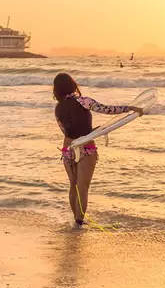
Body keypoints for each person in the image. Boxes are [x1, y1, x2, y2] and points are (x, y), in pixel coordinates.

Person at [53, 73, 142, 227]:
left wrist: (93, 130)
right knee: (83, 186)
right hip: (86, 147)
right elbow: (107, 109)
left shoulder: (58, 109)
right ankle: (79, 222)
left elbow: (67, 131)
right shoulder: (83, 101)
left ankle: (75, 220)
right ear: (73, 85)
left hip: (68, 149)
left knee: (73, 185)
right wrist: (130, 108)